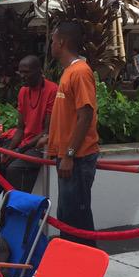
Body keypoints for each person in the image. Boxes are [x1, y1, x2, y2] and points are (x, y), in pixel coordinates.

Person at [47, 21, 100, 244]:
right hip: (69, 158)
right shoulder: (70, 72)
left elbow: (85, 114)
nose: (51, 44)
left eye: (52, 39)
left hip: (77, 159)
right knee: (68, 217)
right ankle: (75, 266)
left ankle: (86, 268)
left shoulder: (79, 72)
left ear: (61, 42)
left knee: (77, 219)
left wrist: (69, 154)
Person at [0, 56, 56, 213]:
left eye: (26, 73)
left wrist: (18, 152)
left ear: (39, 72)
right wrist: (9, 151)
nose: (22, 76)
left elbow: (46, 131)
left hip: (39, 146)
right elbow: (20, 129)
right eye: (20, 72)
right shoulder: (23, 91)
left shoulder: (52, 90)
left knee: (15, 168)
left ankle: (10, 220)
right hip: (23, 144)